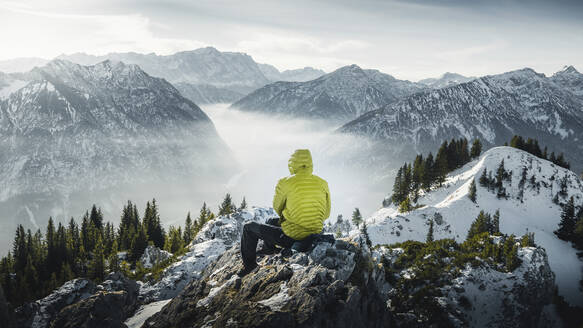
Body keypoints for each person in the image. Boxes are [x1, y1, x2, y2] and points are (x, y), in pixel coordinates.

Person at [238, 149, 331, 277]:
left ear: (292, 164)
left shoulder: (285, 182)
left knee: (248, 227)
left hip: (293, 237)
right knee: (271, 222)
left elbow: (277, 207)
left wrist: (291, 214)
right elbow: (326, 214)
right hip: (315, 233)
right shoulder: (323, 183)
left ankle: (250, 266)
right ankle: (269, 249)